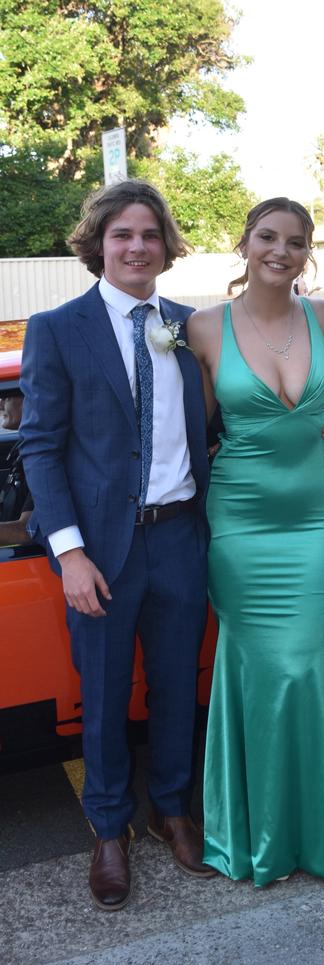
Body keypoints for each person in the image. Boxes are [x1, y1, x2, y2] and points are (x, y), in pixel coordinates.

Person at [20, 179, 216, 911]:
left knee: (174, 684)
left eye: (150, 234)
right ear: (98, 244)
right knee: (101, 697)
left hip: (181, 537)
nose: (137, 247)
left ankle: (171, 808)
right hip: (98, 551)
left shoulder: (192, 326)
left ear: (167, 245)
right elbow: (40, 447)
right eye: (123, 235)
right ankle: (109, 827)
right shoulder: (57, 327)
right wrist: (69, 552)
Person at [187, 197, 324, 886]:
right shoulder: (201, 327)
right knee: (260, 668)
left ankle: (319, 836)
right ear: (244, 242)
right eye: (266, 237)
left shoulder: (323, 317)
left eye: (294, 241)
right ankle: (256, 836)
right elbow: (192, 431)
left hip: (315, 519)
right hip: (241, 522)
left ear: (307, 251)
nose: (279, 251)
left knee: (304, 663)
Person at [0, 389, 32, 547]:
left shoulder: (45, 459)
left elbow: (28, 532)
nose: (0, 405)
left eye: (6, 397)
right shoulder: (22, 446)